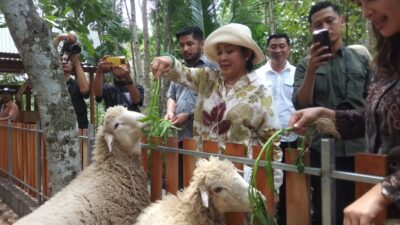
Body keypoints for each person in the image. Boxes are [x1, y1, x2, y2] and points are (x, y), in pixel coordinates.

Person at [288, 0, 400, 224]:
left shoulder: (362, 59)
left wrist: (387, 190)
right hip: (325, 146)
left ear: (341, 21)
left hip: (361, 154)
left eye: (330, 21)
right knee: (326, 208)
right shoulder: (387, 56)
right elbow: (373, 117)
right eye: (360, 4)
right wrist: (324, 113)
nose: (367, 11)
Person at [151, 23, 283, 196]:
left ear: (247, 53)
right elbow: (182, 73)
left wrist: (273, 189)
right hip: (202, 173)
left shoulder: (261, 93)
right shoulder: (208, 78)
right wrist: (168, 59)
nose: (223, 57)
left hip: (238, 182)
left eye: (229, 51)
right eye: (219, 52)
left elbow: (272, 143)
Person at [256, 32, 297, 225]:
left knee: (292, 185)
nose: (278, 50)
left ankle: (287, 220)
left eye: (282, 46)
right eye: (274, 46)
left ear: (288, 49)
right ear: (267, 49)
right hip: (266, 141)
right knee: (266, 184)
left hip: (294, 139)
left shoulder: (298, 74)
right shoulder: (257, 75)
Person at [164, 26, 217, 147]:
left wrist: (189, 116)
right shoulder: (178, 68)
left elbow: (216, 100)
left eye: (189, 44)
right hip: (182, 135)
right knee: (183, 165)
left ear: (202, 44)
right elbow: (172, 95)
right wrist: (170, 112)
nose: (185, 49)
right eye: (182, 45)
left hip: (206, 137)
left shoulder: (212, 66)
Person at [54, 32, 90, 129]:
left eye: (67, 60)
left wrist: (76, 61)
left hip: (79, 128)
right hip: (59, 128)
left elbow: (85, 90)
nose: (64, 61)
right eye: (61, 59)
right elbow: (46, 54)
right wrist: (60, 38)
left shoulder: (75, 84)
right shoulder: (53, 84)